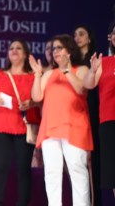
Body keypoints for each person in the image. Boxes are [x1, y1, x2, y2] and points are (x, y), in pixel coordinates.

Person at [30, 34, 93, 206]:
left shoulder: (81, 69)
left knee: (77, 170)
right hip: (50, 128)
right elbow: (36, 96)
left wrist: (66, 70)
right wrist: (37, 75)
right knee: (52, 173)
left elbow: (82, 89)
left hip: (74, 127)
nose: (55, 51)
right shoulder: (49, 74)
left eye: (59, 48)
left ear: (69, 50)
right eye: (53, 49)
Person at [0, 39, 41, 206]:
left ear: (25, 54)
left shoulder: (32, 76)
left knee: (23, 169)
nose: (14, 51)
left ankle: (22, 203)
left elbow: (41, 100)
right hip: (1, 127)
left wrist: (31, 104)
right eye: (11, 48)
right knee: (1, 167)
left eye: (18, 48)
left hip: (24, 127)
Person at [82, 22, 115, 200]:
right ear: (111, 38)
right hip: (109, 122)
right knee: (113, 173)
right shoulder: (105, 62)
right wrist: (92, 71)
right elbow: (89, 84)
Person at [73, 24, 101, 206]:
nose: (77, 37)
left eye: (81, 34)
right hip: (75, 113)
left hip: (92, 111)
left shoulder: (95, 60)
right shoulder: (72, 62)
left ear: (89, 38)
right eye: (75, 35)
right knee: (77, 163)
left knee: (93, 163)